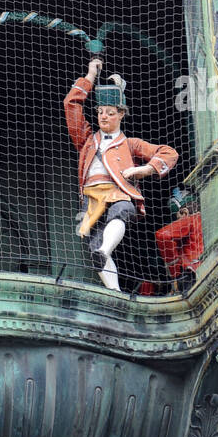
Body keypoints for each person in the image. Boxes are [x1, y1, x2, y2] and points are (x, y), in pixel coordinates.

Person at [64, 57, 178, 292]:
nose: (103, 117)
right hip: (91, 196)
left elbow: (169, 154)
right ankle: (115, 291)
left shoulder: (130, 144)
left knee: (122, 211)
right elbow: (71, 105)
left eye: (110, 113)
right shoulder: (87, 140)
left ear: (121, 114)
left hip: (118, 190)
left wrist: (144, 169)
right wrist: (90, 76)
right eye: (100, 112)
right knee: (94, 243)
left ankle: (106, 251)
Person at [154, 186, 203, 294]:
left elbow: (162, 236)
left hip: (190, 275)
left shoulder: (191, 219)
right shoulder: (208, 220)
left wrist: (175, 271)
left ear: (184, 212)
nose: (178, 221)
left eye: (178, 217)